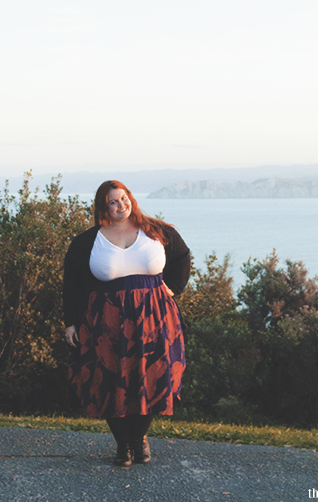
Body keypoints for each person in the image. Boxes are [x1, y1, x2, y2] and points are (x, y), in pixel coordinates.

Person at [63, 180, 191, 466]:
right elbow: (71, 282)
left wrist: (171, 288)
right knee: (109, 382)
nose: (120, 205)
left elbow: (182, 257)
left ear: (130, 199)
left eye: (123, 199)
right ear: (103, 206)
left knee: (151, 377)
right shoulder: (87, 241)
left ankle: (139, 440)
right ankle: (123, 444)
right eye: (113, 201)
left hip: (154, 318)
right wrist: (70, 322)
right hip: (106, 321)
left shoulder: (157, 231)